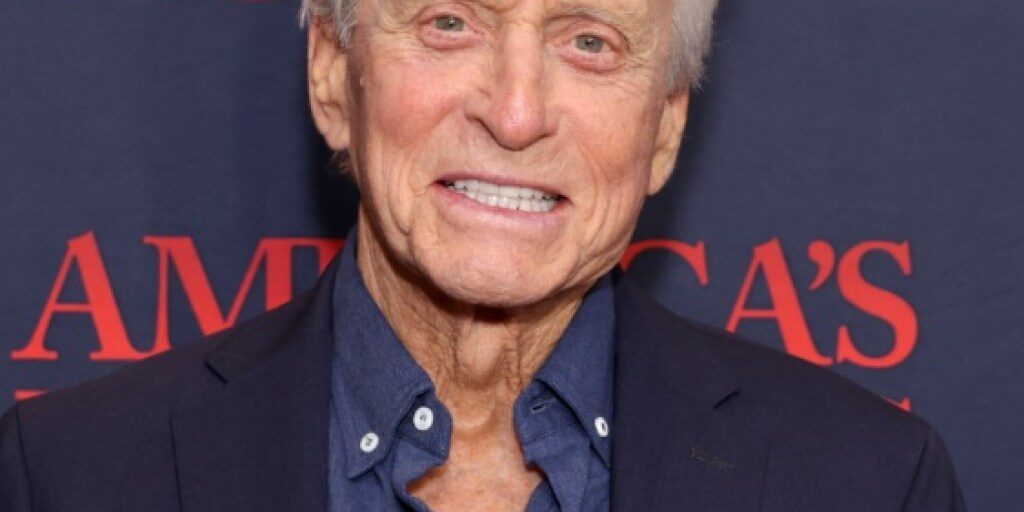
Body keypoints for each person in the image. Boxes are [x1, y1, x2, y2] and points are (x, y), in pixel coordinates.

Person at [0, 0, 967, 509]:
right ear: (333, 74)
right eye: (449, 23)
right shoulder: (73, 477)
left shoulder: (870, 485)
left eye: (590, 42)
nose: (515, 112)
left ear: (666, 127)